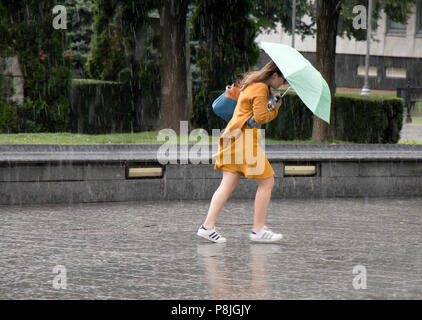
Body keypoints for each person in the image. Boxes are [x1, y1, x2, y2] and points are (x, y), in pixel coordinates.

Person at [197, 60, 287, 243]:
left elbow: (251, 115)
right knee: (267, 182)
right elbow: (259, 119)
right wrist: (275, 110)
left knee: (227, 185)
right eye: (283, 81)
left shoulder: (252, 84)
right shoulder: (261, 88)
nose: (283, 85)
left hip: (232, 138)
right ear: (275, 75)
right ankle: (258, 229)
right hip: (244, 142)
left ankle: (207, 226)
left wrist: (269, 104)